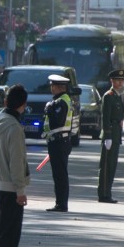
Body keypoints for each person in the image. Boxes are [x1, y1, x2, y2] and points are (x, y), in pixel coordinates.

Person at [0, 84, 30, 247]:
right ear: (23, 105)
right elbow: (16, 162)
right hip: (10, 188)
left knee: (0, 234)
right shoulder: (14, 128)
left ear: (6, 102)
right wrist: (21, 190)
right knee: (9, 236)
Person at [42, 74, 73, 212]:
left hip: (59, 142)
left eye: (52, 86)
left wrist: (49, 110)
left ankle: (61, 204)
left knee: (60, 175)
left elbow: (57, 123)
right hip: (59, 141)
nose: (51, 88)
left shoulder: (61, 102)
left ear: (57, 87)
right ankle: (60, 203)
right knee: (59, 174)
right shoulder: (61, 100)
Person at [98, 69, 124, 203]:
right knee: (106, 165)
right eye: (117, 80)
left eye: (122, 80)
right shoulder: (108, 95)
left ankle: (107, 192)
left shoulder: (118, 96)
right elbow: (106, 117)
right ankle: (103, 194)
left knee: (112, 165)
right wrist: (107, 135)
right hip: (110, 133)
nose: (120, 82)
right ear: (112, 81)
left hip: (116, 133)